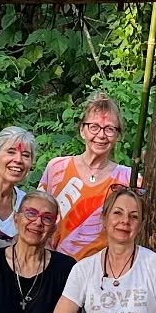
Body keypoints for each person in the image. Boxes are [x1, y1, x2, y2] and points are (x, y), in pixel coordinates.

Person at [38, 92, 135, 260]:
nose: (101, 135)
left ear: (118, 135)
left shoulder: (129, 179)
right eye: (94, 127)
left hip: (103, 269)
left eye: (109, 129)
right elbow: (39, 217)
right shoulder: (57, 168)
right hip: (55, 265)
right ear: (82, 130)